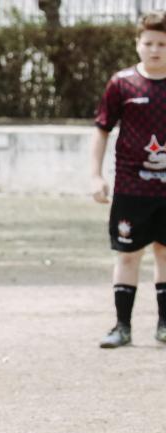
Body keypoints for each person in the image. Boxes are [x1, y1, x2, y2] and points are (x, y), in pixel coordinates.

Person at [91, 10, 166, 348]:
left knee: (164, 253)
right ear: (137, 44)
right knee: (127, 255)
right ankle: (122, 326)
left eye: (162, 44)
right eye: (149, 43)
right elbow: (102, 129)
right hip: (131, 187)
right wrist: (95, 175)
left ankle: (164, 325)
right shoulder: (122, 84)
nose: (155, 50)